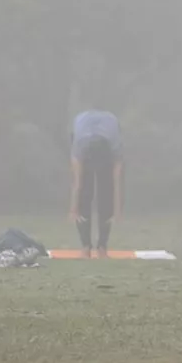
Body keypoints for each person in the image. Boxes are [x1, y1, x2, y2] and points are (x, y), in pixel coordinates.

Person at [69, 109, 124, 258]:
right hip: (84, 138)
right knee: (84, 195)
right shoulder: (79, 149)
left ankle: (102, 247)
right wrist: (74, 209)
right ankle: (86, 246)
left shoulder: (114, 147)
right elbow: (78, 182)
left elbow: (116, 181)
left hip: (105, 143)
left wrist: (117, 210)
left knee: (106, 194)